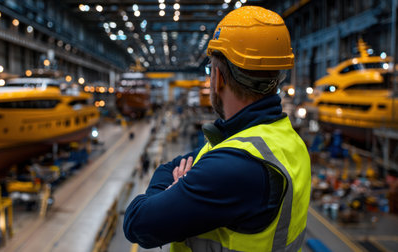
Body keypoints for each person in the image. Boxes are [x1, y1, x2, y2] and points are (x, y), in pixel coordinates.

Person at [124, 6, 311, 252]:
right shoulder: (283, 139)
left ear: (218, 77)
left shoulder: (235, 166)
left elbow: (137, 223)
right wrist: (180, 185)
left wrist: (174, 188)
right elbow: (168, 167)